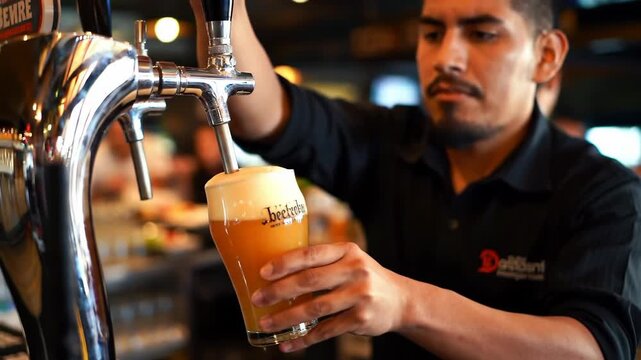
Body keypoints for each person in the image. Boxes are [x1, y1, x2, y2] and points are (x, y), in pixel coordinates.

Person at [190, 1, 641, 359]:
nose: (447, 58)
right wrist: (217, 11)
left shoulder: (601, 190)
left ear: (546, 56)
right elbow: (262, 113)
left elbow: (591, 350)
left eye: (482, 33)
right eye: (432, 33)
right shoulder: (389, 142)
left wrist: (407, 304)